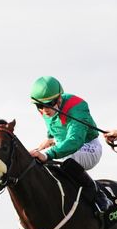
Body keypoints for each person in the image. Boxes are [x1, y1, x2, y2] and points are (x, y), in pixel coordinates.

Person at [29, 76, 112, 215]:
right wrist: (49, 139)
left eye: (49, 104)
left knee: (64, 156)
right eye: (40, 106)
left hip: (88, 147)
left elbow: (75, 141)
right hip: (63, 146)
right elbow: (53, 127)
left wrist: (47, 153)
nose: (44, 110)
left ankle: (98, 194)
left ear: (59, 98)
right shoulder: (44, 110)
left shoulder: (77, 106)